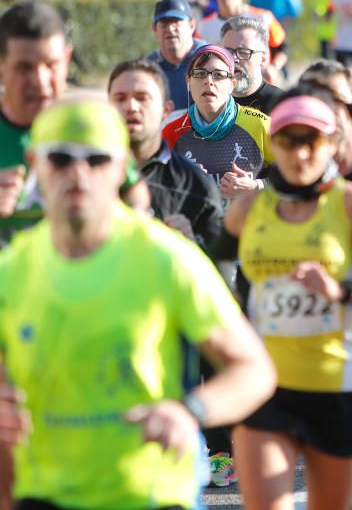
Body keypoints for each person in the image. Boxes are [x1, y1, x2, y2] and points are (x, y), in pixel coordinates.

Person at [0, 99, 275, 509]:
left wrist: (190, 411)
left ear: (121, 168)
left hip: (149, 496)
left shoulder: (166, 259)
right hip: (47, 495)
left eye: (96, 159)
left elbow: (254, 370)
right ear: (35, 165)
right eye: (60, 159)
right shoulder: (13, 268)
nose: (78, 174)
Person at [223, 87, 352, 509]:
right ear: (274, 144)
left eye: (311, 141)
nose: (301, 154)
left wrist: (345, 292)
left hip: (338, 385)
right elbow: (209, 275)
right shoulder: (247, 209)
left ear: (331, 143)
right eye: (289, 141)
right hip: (265, 384)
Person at [108, 59, 224, 250]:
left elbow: (221, 271)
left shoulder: (196, 185)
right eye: (120, 98)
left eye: (142, 97)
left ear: (166, 110)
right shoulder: (82, 177)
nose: (131, 107)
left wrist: (191, 247)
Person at [0, 1, 71, 248]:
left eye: (51, 65)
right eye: (24, 68)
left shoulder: (90, 128)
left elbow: (135, 194)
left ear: (67, 59)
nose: (40, 82)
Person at [162, 45, 272, 196]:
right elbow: (154, 185)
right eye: (200, 74)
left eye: (218, 75)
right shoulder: (171, 132)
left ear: (232, 84)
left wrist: (256, 186)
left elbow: (296, 175)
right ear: (188, 81)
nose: (208, 81)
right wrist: (182, 181)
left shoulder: (260, 125)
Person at [198, 0, 289, 75]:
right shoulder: (203, 27)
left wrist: (274, 67)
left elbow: (282, 48)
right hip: (224, 88)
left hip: (260, 87)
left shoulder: (263, 18)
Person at [146, 0, 208, 112]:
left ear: (192, 25)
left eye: (176, 22)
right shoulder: (149, 68)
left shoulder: (209, 59)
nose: (170, 28)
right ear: (154, 29)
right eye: (164, 23)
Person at [221, 15, 284, 114]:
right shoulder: (210, 103)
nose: (234, 58)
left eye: (243, 52)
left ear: (263, 59)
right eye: (228, 52)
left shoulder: (280, 104)